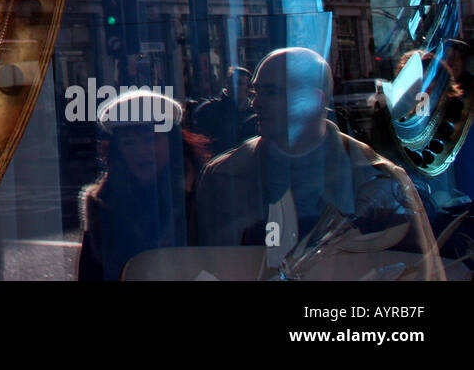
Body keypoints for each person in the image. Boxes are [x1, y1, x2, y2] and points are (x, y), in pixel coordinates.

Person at [194, 46, 442, 279]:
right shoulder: (222, 176)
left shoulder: (382, 180)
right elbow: (205, 267)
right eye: (255, 91)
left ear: (314, 99)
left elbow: (416, 270)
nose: (255, 103)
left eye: (271, 92)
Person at [77, 89, 209, 281]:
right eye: (129, 143)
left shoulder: (203, 190)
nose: (140, 151)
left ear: (171, 141)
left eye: (150, 139)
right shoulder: (104, 203)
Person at [193, 66, 257, 157]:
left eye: (240, 83)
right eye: (231, 83)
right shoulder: (210, 109)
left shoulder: (255, 112)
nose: (235, 86)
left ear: (249, 88)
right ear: (227, 85)